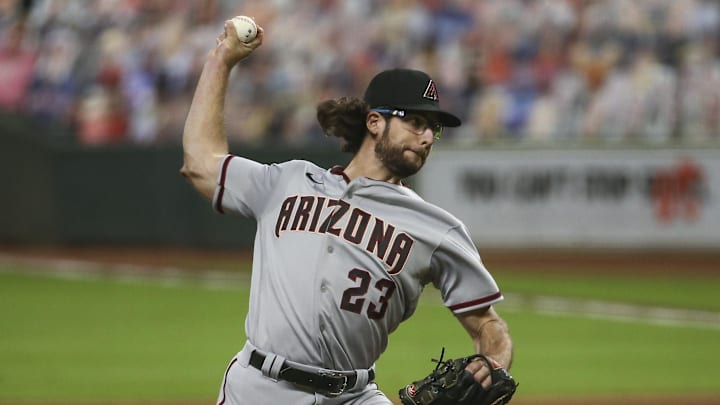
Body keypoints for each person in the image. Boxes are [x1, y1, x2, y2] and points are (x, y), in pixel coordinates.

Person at [181, 18, 513, 405]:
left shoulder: (438, 229)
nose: (426, 137)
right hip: (259, 387)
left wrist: (494, 360)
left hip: (354, 396)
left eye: (433, 129)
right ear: (375, 121)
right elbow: (200, 163)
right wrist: (221, 61)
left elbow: (488, 324)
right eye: (416, 121)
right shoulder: (288, 181)